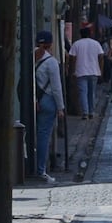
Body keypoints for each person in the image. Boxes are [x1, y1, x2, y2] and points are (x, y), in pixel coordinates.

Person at [34, 30, 65, 184]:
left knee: (33, 135)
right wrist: (60, 107)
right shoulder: (51, 62)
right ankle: (41, 170)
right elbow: (56, 87)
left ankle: (31, 166)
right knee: (44, 136)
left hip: (35, 101)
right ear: (50, 44)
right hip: (47, 101)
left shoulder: (31, 57)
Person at [68, 25, 104, 120]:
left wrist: (72, 71)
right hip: (94, 71)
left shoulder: (76, 44)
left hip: (80, 72)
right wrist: (100, 70)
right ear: (90, 34)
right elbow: (101, 56)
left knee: (83, 93)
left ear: (81, 34)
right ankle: (91, 111)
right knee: (91, 93)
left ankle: (85, 112)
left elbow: (72, 58)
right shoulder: (96, 44)